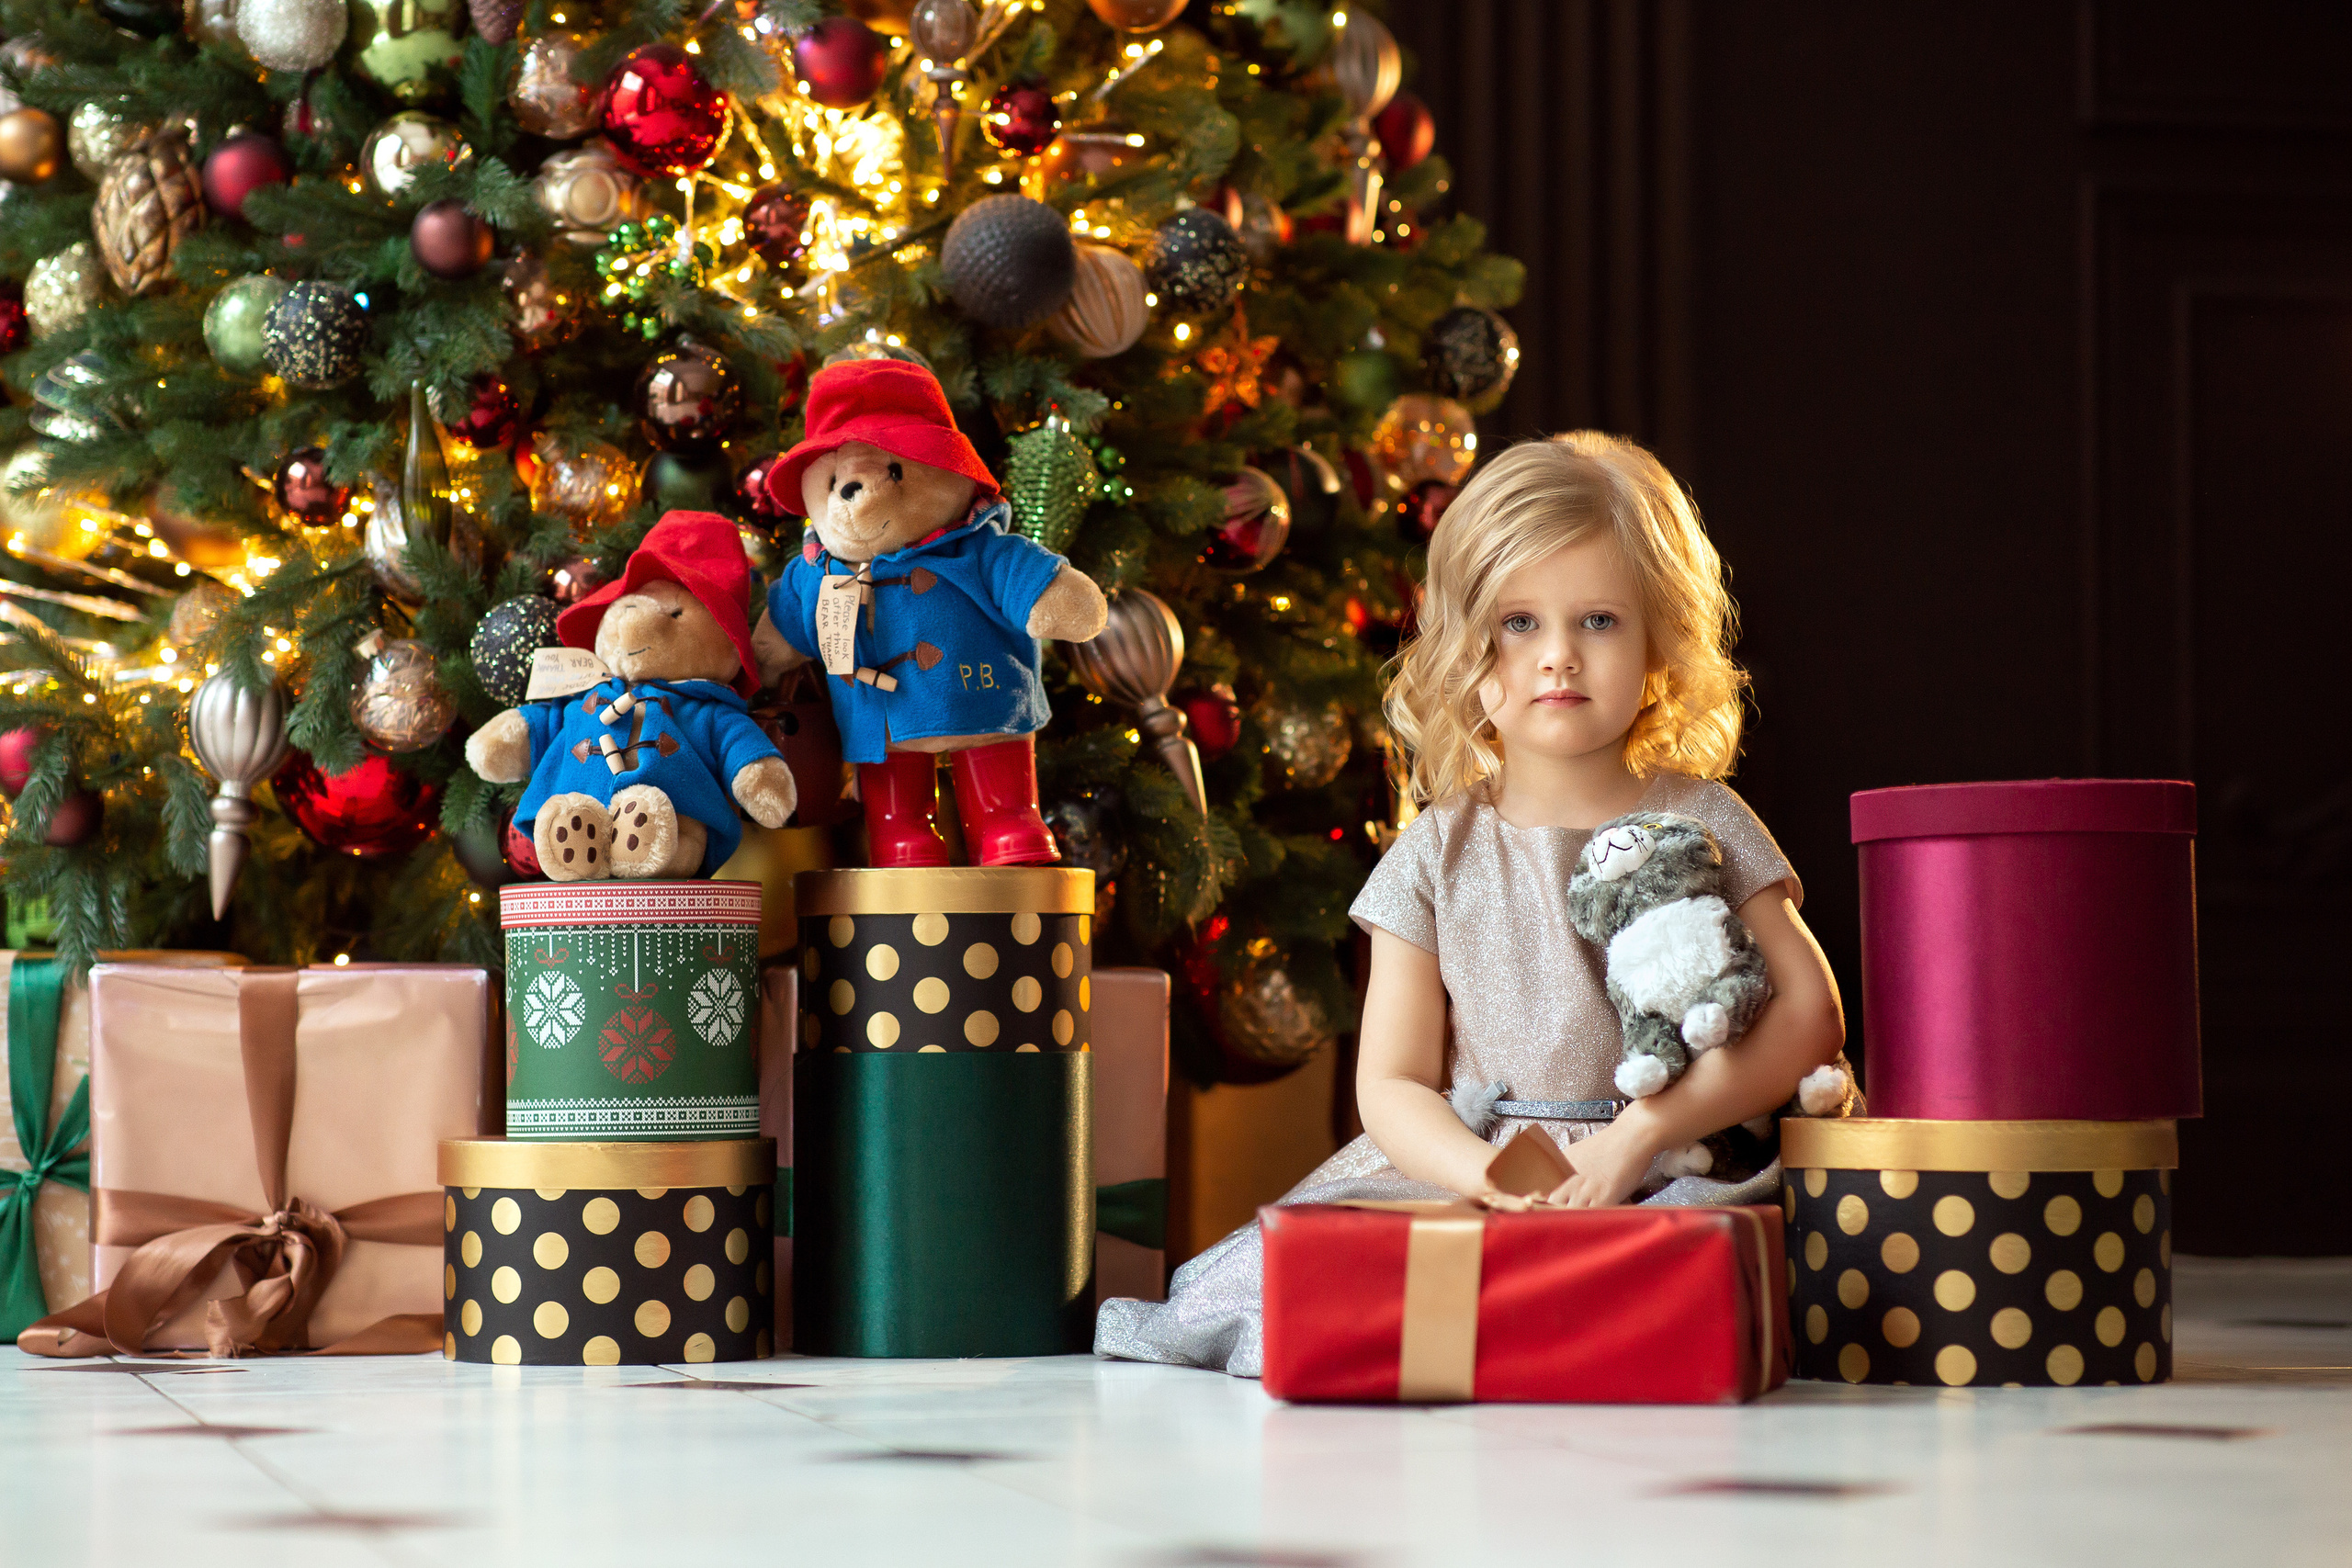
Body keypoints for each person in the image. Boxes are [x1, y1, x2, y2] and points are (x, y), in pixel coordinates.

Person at [1096, 432, 1848, 1377]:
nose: (1559, 658)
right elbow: (1393, 1085)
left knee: (1668, 1278)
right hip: (1477, 1167)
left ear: (1659, 636)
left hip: (1674, 1158)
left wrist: (1642, 1135)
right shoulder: (1434, 853)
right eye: (1519, 623)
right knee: (1330, 1286)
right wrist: (1485, 1177)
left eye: (1600, 622)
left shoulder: (1700, 816)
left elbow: (1809, 1015)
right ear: (1464, 644)